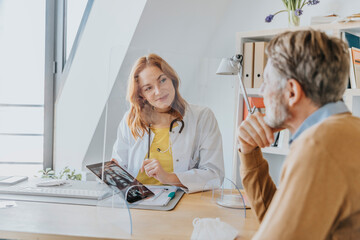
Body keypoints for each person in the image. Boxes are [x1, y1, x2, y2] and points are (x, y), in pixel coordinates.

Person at [237, 30, 360, 239]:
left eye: (267, 81)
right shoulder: (347, 130)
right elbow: (278, 222)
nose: (261, 90)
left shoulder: (319, 146)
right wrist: (249, 151)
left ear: (292, 92)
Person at [112, 53, 224, 193]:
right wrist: (113, 172)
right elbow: (119, 165)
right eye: (148, 88)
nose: (159, 91)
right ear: (142, 95)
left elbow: (214, 175)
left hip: (182, 202)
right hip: (138, 204)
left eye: (162, 80)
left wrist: (168, 177)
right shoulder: (130, 120)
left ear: (172, 79)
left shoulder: (202, 117)